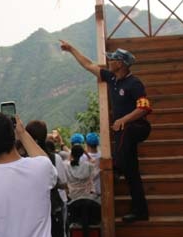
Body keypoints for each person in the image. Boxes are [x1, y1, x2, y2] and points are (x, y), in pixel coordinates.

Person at [61, 42, 153, 222]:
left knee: (126, 132)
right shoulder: (111, 78)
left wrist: (124, 119)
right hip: (123, 133)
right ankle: (140, 210)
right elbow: (88, 65)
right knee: (132, 172)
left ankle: (117, 163)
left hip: (138, 128)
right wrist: (72, 49)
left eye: (113, 59)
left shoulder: (134, 83)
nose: (109, 61)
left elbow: (144, 108)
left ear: (121, 63)